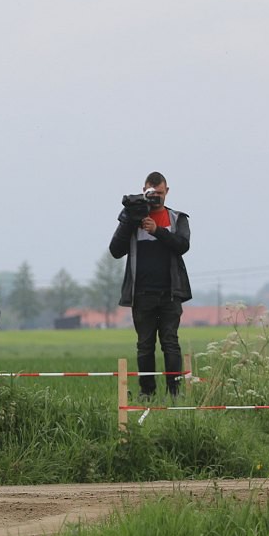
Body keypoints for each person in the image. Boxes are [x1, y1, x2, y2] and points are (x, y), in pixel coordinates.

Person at [109, 171, 191, 402]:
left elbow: (182, 245)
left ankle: (174, 393)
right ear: (143, 191)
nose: (156, 199)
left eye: (160, 194)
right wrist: (129, 219)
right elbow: (115, 251)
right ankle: (147, 393)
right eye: (151, 194)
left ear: (167, 192)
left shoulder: (177, 219)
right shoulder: (133, 218)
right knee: (144, 345)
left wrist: (158, 231)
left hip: (170, 293)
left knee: (170, 343)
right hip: (142, 294)